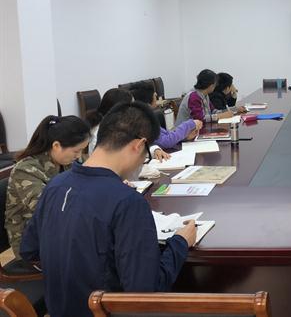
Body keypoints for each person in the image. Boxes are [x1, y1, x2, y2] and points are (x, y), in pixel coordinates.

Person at [21, 102, 197, 317]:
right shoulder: (128, 202)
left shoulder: (56, 184)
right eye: (147, 155)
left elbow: (29, 249)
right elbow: (145, 293)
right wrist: (180, 243)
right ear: (138, 145)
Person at [5, 115, 89, 259]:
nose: (79, 156)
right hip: (34, 243)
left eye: (82, 150)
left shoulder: (67, 161)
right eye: (76, 151)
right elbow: (51, 210)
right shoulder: (25, 170)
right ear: (56, 146)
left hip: (61, 232)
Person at [129, 81, 202, 149]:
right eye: (152, 92)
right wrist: (190, 123)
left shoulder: (147, 115)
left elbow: (166, 136)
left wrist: (185, 137)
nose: (156, 94)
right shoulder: (142, 120)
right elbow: (166, 142)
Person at [86, 87, 133, 154]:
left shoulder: (118, 123)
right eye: (131, 107)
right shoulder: (99, 135)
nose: (134, 110)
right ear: (119, 110)